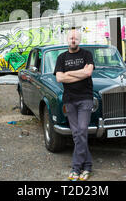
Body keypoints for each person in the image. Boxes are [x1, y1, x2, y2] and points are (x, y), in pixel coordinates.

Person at [53, 28, 95, 181]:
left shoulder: (87, 55)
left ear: (79, 40)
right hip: (69, 99)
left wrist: (68, 74)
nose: (73, 40)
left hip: (85, 98)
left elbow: (88, 73)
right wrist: (79, 73)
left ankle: (76, 168)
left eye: (76, 38)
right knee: (77, 134)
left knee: (82, 129)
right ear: (67, 40)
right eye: (71, 38)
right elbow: (59, 78)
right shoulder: (61, 57)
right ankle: (88, 165)